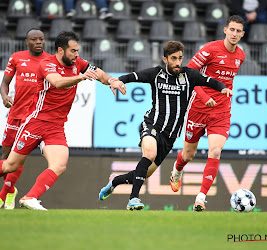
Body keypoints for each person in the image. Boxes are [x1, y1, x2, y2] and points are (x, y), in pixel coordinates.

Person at [98, 41, 233, 211]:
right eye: (173, 58)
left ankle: (115, 181)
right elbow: (133, 76)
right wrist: (116, 81)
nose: (178, 62)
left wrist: (223, 89)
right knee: (149, 153)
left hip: (170, 136)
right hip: (153, 124)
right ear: (165, 59)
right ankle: (133, 199)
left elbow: (210, 81)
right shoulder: (156, 74)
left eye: (180, 58)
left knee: (142, 174)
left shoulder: (189, 75)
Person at [0, 31, 126, 211]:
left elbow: (99, 73)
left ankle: (30, 197)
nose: (77, 55)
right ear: (60, 50)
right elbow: (57, 82)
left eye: (77, 51)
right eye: (73, 51)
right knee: (10, 165)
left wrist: (112, 80)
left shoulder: (78, 63)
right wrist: (82, 77)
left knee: (60, 164)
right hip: (35, 122)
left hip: (55, 127)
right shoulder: (47, 64)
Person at [169, 15, 245, 212]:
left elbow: (228, 82)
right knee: (188, 154)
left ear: (242, 34)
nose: (235, 34)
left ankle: (200, 199)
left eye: (239, 31)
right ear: (225, 30)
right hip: (199, 108)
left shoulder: (240, 56)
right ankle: (177, 171)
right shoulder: (210, 49)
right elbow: (188, 74)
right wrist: (204, 97)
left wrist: (223, 94)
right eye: (232, 30)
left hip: (221, 109)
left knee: (215, 151)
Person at [0, 29, 50, 209]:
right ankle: (11, 190)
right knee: (5, 157)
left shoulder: (50, 61)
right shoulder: (16, 58)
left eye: (41, 39)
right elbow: (4, 83)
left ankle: (3, 195)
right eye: (34, 39)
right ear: (26, 42)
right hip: (15, 114)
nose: (39, 42)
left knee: (19, 157)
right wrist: (5, 96)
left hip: (33, 117)